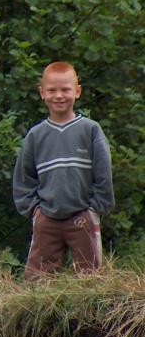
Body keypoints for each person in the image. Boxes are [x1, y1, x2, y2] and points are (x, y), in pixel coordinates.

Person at [13, 61, 114, 280]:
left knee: (91, 279)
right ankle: (39, 315)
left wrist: (95, 208)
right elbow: (24, 177)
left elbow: (103, 173)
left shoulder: (90, 130)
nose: (59, 95)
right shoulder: (35, 135)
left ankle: (90, 315)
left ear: (77, 91)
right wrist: (34, 210)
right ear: (42, 93)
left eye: (65, 89)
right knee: (37, 280)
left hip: (82, 216)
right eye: (52, 90)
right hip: (47, 217)